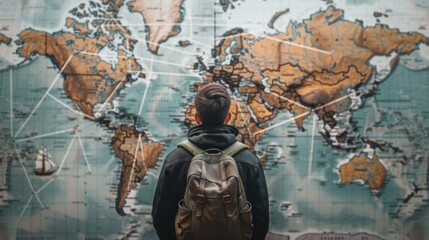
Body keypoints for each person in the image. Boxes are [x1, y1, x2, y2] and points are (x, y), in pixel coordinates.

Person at [151, 83, 269, 240]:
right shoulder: (249, 161)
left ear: (197, 118)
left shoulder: (175, 160)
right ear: (227, 118)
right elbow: (261, 219)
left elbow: (161, 218)